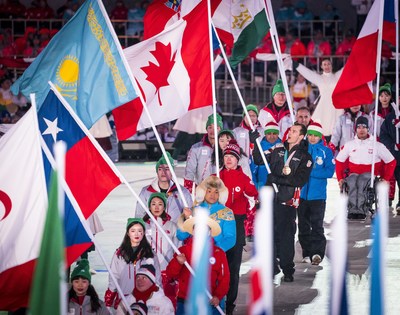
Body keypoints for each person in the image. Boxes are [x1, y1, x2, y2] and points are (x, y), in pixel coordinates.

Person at [253, 123, 313, 282]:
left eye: (294, 131)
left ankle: (288, 269)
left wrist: (277, 179)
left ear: (301, 136)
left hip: (287, 201)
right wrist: (256, 142)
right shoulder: (277, 150)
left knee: (286, 236)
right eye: (290, 130)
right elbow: (259, 159)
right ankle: (271, 266)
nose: (290, 132)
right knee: (269, 235)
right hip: (270, 199)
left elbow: (300, 180)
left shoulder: (305, 157)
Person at [219, 139, 258, 314]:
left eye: (232, 156)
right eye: (226, 155)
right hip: (218, 225)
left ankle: (229, 305)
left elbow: (253, 192)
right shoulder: (216, 176)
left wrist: (247, 189)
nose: (228, 159)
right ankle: (217, 301)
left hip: (235, 225)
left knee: (233, 269)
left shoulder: (243, 177)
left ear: (237, 160)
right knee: (217, 266)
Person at [166, 216, 230, 315]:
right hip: (185, 301)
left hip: (209, 302)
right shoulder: (182, 251)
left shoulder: (219, 253)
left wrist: (218, 296)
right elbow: (170, 274)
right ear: (193, 231)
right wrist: (178, 263)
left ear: (209, 232)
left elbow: (225, 278)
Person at [336, 116, 396, 219]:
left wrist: (386, 178)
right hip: (353, 174)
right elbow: (339, 161)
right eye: (359, 127)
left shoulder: (376, 145)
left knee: (361, 181)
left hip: (369, 174)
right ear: (356, 129)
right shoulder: (350, 145)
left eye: (364, 127)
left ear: (368, 129)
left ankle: (361, 210)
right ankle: (352, 210)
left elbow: (391, 161)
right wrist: (340, 178)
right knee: (351, 181)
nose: (361, 129)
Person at [297, 122, 335, 266]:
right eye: (310, 135)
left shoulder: (326, 151)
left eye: (316, 136)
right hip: (301, 195)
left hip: (318, 196)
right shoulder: (301, 150)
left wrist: (311, 172)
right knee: (303, 225)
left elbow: (329, 171)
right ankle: (306, 252)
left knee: (317, 225)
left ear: (320, 137)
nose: (313, 138)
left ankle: (317, 253)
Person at [104, 218, 162, 310]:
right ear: (128, 233)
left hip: (145, 300)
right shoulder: (119, 254)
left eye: (140, 231)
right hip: (124, 299)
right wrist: (109, 299)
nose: (136, 234)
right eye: (133, 231)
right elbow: (114, 278)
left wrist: (158, 296)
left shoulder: (150, 254)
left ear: (143, 233)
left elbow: (157, 277)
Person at [177, 175, 236, 252]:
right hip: (194, 253)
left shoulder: (227, 212)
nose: (212, 195)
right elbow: (180, 236)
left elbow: (230, 238)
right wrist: (186, 218)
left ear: (220, 194)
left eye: (216, 192)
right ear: (203, 192)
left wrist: (217, 249)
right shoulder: (194, 210)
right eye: (209, 191)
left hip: (216, 254)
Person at [143, 192, 179, 308]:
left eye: (160, 204)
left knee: (168, 303)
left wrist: (175, 271)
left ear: (164, 207)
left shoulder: (171, 226)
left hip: (166, 272)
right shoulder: (143, 226)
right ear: (149, 207)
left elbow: (177, 250)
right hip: (147, 272)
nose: (157, 207)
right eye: (153, 204)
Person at [136, 152, 192, 223]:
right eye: (160, 169)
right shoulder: (146, 192)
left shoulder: (183, 192)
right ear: (157, 172)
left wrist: (188, 217)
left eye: (167, 169)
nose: (163, 172)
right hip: (152, 233)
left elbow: (191, 219)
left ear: (172, 171)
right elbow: (139, 216)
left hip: (175, 233)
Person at [295, 58, 343, 141]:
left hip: (336, 106)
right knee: (321, 128)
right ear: (321, 67)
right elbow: (308, 73)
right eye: (324, 64)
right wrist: (297, 65)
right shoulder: (319, 78)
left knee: (336, 129)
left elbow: (346, 69)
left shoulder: (336, 76)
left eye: (328, 64)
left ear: (331, 66)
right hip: (324, 106)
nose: (327, 66)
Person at [184, 114, 223, 192]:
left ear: (220, 129)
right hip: (202, 190)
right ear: (206, 129)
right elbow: (190, 170)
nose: (213, 131)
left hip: (221, 191)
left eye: (216, 128)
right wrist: (188, 189)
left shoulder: (225, 148)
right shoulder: (196, 148)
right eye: (210, 127)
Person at [233, 104, 263, 179]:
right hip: (242, 163)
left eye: (254, 116)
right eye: (249, 115)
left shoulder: (262, 131)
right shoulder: (237, 131)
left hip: (257, 164)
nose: (251, 118)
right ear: (244, 117)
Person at [380, 101, 400, 214]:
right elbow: (383, 134)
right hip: (393, 156)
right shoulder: (390, 117)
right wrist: (393, 145)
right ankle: (388, 199)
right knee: (390, 178)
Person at [251, 121, 282, 190]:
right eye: (269, 134)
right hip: (262, 181)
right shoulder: (259, 146)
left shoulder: (283, 146)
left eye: (274, 133)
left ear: (278, 134)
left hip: (278, 182)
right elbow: (255, 163)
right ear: (265, 134)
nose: (271, 136)